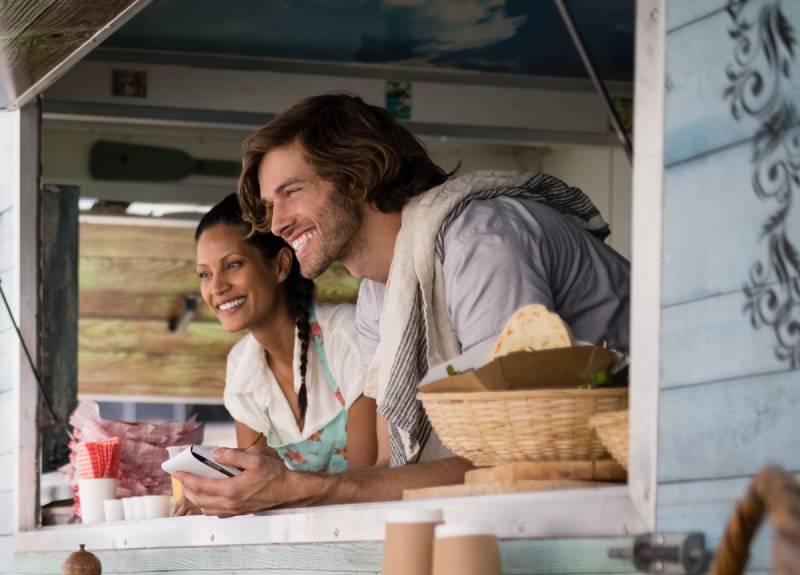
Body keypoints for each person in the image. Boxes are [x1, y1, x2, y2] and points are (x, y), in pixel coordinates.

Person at [182, 93, 631, 515]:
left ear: (356, 176)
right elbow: (389, 473)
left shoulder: (481, 241)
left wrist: (303, 488)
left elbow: (512, 461)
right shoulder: (379, 294)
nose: (276, 222)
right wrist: (277, 488)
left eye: (291, 191)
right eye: (269, 204)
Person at [195, 194, 376, 476]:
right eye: (204, 274)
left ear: (280, 265)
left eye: (233, 265)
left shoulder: (345, 335)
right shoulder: (242, 365)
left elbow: (366, 482)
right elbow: (256, 486)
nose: (216, 287)